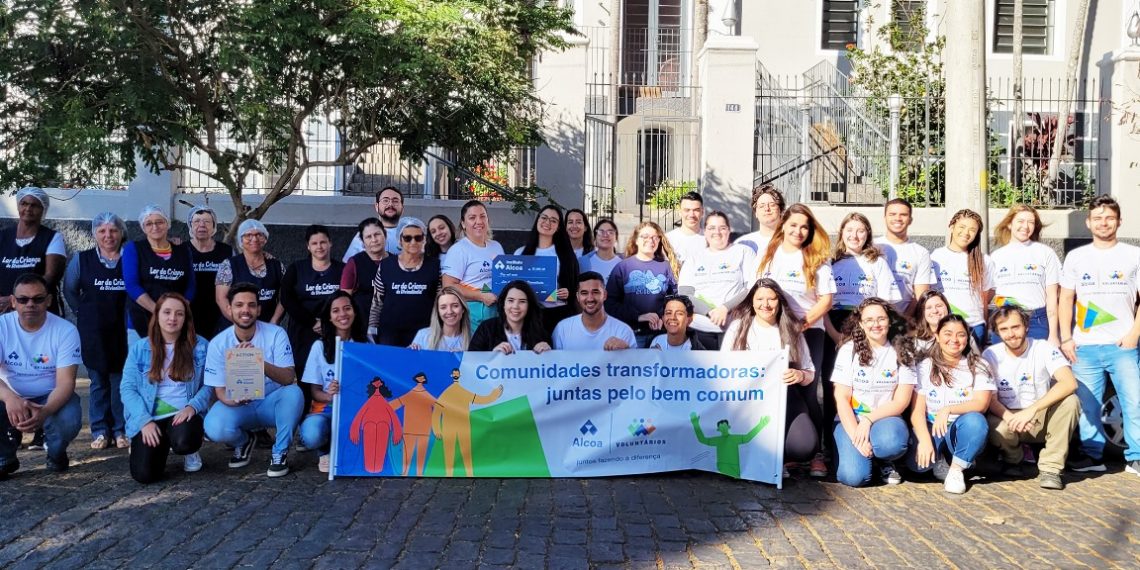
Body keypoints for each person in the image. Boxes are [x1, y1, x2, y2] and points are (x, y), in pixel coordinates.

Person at [1058, 195, 1140, 475]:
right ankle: (1093, 457)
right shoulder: (1076, 257)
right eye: (1098, 218)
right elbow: (1066, 299)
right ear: (1088, 222)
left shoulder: (1133, 255)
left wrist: (1133, 334)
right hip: (1084, 346)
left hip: (1123, 345)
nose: (1103, 223)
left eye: (1109, 218)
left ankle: (1136, 457)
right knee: (1087, 406)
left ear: (1119, 221)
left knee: (1134, 401)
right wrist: (1066, 338)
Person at [756, 203, 834, 477]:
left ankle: (816, 455)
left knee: (809, 390)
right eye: (793, 225)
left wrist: (804, 323)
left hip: (808, 331)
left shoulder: (816, 257)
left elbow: (826, 299)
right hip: (776, 331)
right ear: (783, 226)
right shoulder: (770, 255)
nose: (798, 231)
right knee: (781, 388)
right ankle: (788, 450)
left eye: (804, 226)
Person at [203, 283, 303, 477]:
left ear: (258, 309)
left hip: (271, 402)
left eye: (251, 305)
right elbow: (220, 392)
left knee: (294, 394)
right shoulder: (218, 343)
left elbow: (289, 377)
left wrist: (258, 362)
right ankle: (244, 441)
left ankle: (279, 452)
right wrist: (234, 400)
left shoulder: (276, 334)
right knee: (213, 426)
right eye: (239, 305)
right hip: (240, 405)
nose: (245, 310)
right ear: (229, 309)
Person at [719, 279, 818, 475]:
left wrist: (799, 375)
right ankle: (765, 459)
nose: (766, 304)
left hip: (784, 397)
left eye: (771, 299)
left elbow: (810, 373)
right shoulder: (738, 327)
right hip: (747, 399)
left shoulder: (791, 329)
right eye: (760, 299)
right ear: (752, 302)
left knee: (805, 446)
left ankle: (781, 455)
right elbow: (723, 369)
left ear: (779, 301)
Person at [823, 213, 901, 451]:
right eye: (849, 230)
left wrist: (870, 327)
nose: (854, 235)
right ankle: (832, 443)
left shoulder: (877, 262)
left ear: (867, 234)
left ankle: (876, 434)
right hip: (834, 323)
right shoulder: (830, 260)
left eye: (860, 230)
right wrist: (834, 335)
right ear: (842, 232)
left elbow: (888, 301)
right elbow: (823, 300)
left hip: (867, 323)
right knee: (833, 387)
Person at [983, 306, 1078, 489]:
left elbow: (1069, 383)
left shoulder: (1043, 348)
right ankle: (1014, 460)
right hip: (1008, 417)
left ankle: (1051, 469)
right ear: (997, 332)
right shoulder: (991, 355)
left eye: (1015, 327)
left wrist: (1031, 410)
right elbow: (990, 397)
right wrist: (1012, 417)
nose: (1011, 334)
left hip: (1039, 414)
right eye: (1004, 329)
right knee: (994, 425)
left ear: (1026, 326)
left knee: (1071, 401)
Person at [120, 293, 211, 483]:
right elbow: (127, 389)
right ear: (157, 314)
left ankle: (189, 451)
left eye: (179, 314)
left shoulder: (200, 346)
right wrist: (144, 421)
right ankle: (160, 444)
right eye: (167, 312)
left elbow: (210, 384)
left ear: (186, 318)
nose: (172, 318)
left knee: (184, 441)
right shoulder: (140, 347)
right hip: (150, 416)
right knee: (144, 475)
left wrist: (193, 406)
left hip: (183, 413)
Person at [0, 273, 82, 475]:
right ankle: (4, 455)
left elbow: (65, 384)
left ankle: (55, 452)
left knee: (69, 418)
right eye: (23, 299)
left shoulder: (66, 330)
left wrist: (44, 413)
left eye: (37, 299)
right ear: (13, 301)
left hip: (49, 395)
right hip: (9, 393)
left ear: (48, 301)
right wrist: (11, 398)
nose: (30, 304)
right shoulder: (2, 326)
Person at [831, 298, 917, 487]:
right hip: (851, 418)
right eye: (869, 320)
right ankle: (865, 456)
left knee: (891, 443)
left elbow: (901, 402)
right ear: (861, 323)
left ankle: (885, 459)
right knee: (854, 477)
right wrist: (856, 435)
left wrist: (869, 420)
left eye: (881, 319)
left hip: (885, 419)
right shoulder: (848, 350)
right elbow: (842, 398)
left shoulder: (903, 351)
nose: (875, 324)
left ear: (889, 320)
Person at [63, 212, 129, 450]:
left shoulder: (130, 257)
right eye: (102, 231)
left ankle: (121, 429)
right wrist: (83, 312)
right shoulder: (82, 260)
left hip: (122, 329)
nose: (108, 235)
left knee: (120, 380)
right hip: (93, 331)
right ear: (95, 234)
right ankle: (100, 430)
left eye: (113, 230)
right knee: (98, 381)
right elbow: (69, 290)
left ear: (121, 233)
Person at [908, 314, 994, 494]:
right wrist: (924, 440)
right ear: (937, 336)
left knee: (976, 421)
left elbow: (981, 403)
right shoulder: (925, 365)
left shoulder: (979, 365)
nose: (954, 339)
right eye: (948, 333)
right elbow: (917, 411)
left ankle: (956, 469)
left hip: (961, 429)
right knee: (919, 467)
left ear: (968, 337)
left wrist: (948, 409)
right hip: (932, 428)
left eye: (961, 334)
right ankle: (950, 459)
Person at [299, 291, 368, 473]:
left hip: (357, 410)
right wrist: (330, 395)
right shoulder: (319, 347)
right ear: (329, 317)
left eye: (347, 309)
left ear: (354, 311)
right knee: (311, 434)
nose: (342, 315)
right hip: (326, 410)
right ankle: (325, 451)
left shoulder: (366, 344)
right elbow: (314, 391)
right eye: (336, 311)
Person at [677, 211, 754, 348]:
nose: (717, 232)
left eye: (722, 228)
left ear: (729, 230)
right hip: (700, 329)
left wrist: (725, 308)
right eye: (711, 228)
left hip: (735, 329)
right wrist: (710, 311)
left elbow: (751, 289)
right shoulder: (694, 258)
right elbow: (685, 294)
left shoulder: (743, 252)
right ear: (705, 231)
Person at [281, 224, 344, 386]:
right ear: (308, 246)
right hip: (304, 331)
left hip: (334, 330)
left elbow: (347, 299)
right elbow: (287, 299)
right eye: (314, 243)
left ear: (330, 243)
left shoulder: (342, 270)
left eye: (323, 242)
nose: (319, 247)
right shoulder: (296, 268)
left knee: (334, 373)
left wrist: (328, 323)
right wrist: (312, 322)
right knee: (305, 375)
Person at [989, 204, 1062, 345]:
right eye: (1021, 221)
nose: (1026, 226)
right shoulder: (996, 257)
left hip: (1037, 322)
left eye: (1031, 222)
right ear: (1009, 224)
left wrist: (1053, 335)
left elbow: (1052, 296)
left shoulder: (1045, 253)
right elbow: (988, 293)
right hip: (1005, 321)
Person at [122, 204, 195, 338]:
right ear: (143, 228)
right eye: (149, 223)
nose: (155, 227)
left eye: (159, 222)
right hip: (141, 320)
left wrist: (177, 312)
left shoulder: (183, 250)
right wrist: (159, 312)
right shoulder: (134, 249)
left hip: (175, 323)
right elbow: (132, 285)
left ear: (168, 224)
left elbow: (190, 285)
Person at [369, 217, 441, 346]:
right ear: (400, 240)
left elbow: (439, 300)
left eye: (418, 238)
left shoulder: (435, 266)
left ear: (424, 239)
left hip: (424, 333)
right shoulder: (386, 266)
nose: (413, 242)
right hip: (389, 333)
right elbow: (377, 301)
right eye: (408, 238)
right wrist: (372, 328)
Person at [605, 221, 678, 347]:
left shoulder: (666, 267)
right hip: (631, 334)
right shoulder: (623, 267)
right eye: (644, 236)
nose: (650, 240)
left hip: (660, 334)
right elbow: (609, 304)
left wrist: (664, 318)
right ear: (636, 240)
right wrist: (638, 316)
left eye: (654, 237)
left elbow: (675, 299)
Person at [930, 209, 994, 346]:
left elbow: (986, 297)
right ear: (952, 227)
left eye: (972, 230)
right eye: (962, 227)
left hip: (974, 326)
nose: (966, 233)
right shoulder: (935, 257)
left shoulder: (984, 261)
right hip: (944, 327)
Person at [0, 187, 66, 316]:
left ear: (43, 210)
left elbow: (50, 277)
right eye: (24, 204)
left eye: (34, 205)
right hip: (4, 312)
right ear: (18, 206)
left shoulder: (53, 238)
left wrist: (14, 300)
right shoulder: (2, 237)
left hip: (38, 312)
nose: (28, 209)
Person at [442, 200, 505, 331]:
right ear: (463, 224)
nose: (479, 221)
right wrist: (481, 296)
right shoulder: (458, 250)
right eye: (472, 218)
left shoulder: (497, 246)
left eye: (483, 216)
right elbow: (448, 286)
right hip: (474, 313)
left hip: (499, 310)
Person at [515, 205, 579, 331]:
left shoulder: (566, 255)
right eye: (544, 217)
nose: (547, 222)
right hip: (529, 314)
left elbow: (575, 286)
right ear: (537, 220)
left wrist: (568, 292)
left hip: (559, 314)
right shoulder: (520, 253)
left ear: (559, 227)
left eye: (553, 220)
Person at [215, 219, 284, 327]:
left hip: (267, 328)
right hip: (234, 328)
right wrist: (240, 324)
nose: (254, 239)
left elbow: (286, 296)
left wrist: (274, 321)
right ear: (241, 240)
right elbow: (221, 298)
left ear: (265, 238)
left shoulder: (277, 266)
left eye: (259, 235)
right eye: (248, 235)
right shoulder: (228, 265)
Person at [874, 198, 934, 315]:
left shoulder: (921, 253)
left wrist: (904, 321)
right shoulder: (872, 246)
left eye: (903, 215)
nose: (897, 218)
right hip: (872, 321)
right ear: (885, 217)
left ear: (910, 220)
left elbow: (920, 294)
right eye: (892, 214)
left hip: (904, 321)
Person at [553, 272, 637, 351]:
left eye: (595, 292)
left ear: (604, 295)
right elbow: (552, 363)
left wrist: (627, 351)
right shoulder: (562, 329)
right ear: (578, 297)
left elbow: (635, 364)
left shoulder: (623, 331)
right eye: (584, 293)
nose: (590, 298)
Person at [186, 206, 233, 338]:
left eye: (207, 221)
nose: (202, 225)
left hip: (219, 315)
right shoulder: (181, 250)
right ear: (190, 226)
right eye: (197, 221)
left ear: (214, 227)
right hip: (188, 314)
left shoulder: (227, 251)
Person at [470, 280, 553, 353]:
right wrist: (492, 356)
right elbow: (471, 362)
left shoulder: (541, 334)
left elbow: (551, 366)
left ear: (529, 306)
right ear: (503, 304)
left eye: (522, 301)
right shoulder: (486, 329)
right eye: (511, 300)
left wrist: (549, 355)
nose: (515, 306)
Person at [341, 217, 389, 320]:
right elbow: (344, 299)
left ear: (385, 234)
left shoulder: (396, 262)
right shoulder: (354, 263)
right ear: (362, 241)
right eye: (368, 237)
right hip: (362, 326)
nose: (374, 240)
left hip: (391, 325)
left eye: (377, 234)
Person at [342, 186, 404, 260]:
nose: (390, 204)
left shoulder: (411, 234)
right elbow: (348, 265)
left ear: (402, 208)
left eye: (395, 201)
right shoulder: (364, 234)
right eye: (385, 200)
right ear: (376, 207)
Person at [409, 287, 472, 352]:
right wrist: (409, 353)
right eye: (443, 307)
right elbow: (412, 361)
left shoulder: (473, 339)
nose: (449, 311)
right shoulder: (423, 335)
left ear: (463, 309)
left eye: (455, 306)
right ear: (438, 311)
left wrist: (463, 357)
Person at [736, 184, 785, 257]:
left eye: (772, 205)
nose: (767, 209)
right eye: (762, 206)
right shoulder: (743, 243)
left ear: (780, 210)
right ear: (756, 213)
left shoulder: (792, 241)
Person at [664, 191, 706, 267]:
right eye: (687, 210)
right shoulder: (668, 239)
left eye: (696, 210)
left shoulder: (710, 239)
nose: (691, 215)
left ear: (702, 212)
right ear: (679, 212)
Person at [578, 218, 622, 285]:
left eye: (610, 232)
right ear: (595, 237)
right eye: (601, 232)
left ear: (616, 237)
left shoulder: (623, 264)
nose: (605, 235)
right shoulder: (583, 262)